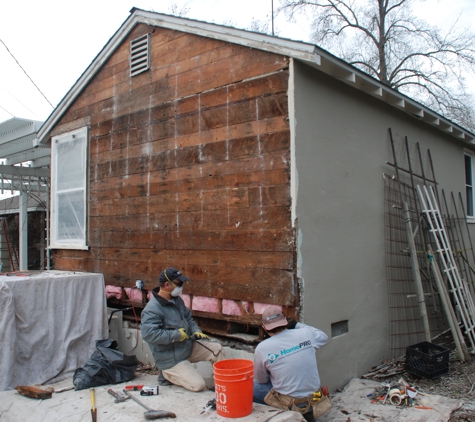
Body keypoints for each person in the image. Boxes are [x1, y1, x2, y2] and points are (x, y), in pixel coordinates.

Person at [141, 267, 222, 392]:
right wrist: (176, 335)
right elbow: (149, 335)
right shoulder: (152, 309)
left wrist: (196, 331)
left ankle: (222, 387)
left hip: (186, 347)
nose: (181, 287)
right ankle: (167, 374)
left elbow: (188, 318)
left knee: (217, 350)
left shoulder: (177, 300)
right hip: (170, 358)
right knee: (198, 385)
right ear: (167, 285)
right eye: (179, 284)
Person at [253, 306, 329, 422]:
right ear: (286, 321)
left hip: (288, 401)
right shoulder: (306, 333)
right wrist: (297, 324)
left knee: (251, 387)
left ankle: (286, 413)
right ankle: (306, 410)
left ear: (264, 327)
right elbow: (324, 337)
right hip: (315, 396)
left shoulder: (262, 348)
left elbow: (262, 380)